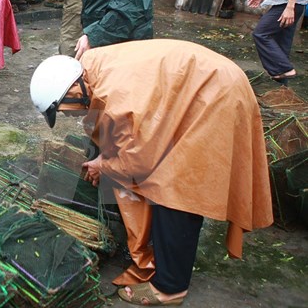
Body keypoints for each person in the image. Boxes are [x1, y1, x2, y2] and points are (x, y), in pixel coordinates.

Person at [29, 39, 273, 306]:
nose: (68, 117)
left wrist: (104, 164)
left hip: (215, 94)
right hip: (202, 83)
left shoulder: (117, 95)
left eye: (65, 110)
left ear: (74, 90)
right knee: (165, 178)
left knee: (176, 186)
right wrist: (105, 157)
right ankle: (165, 254)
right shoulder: (88, 68)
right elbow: (119, 132)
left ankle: (170, 288)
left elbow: (141, 159)